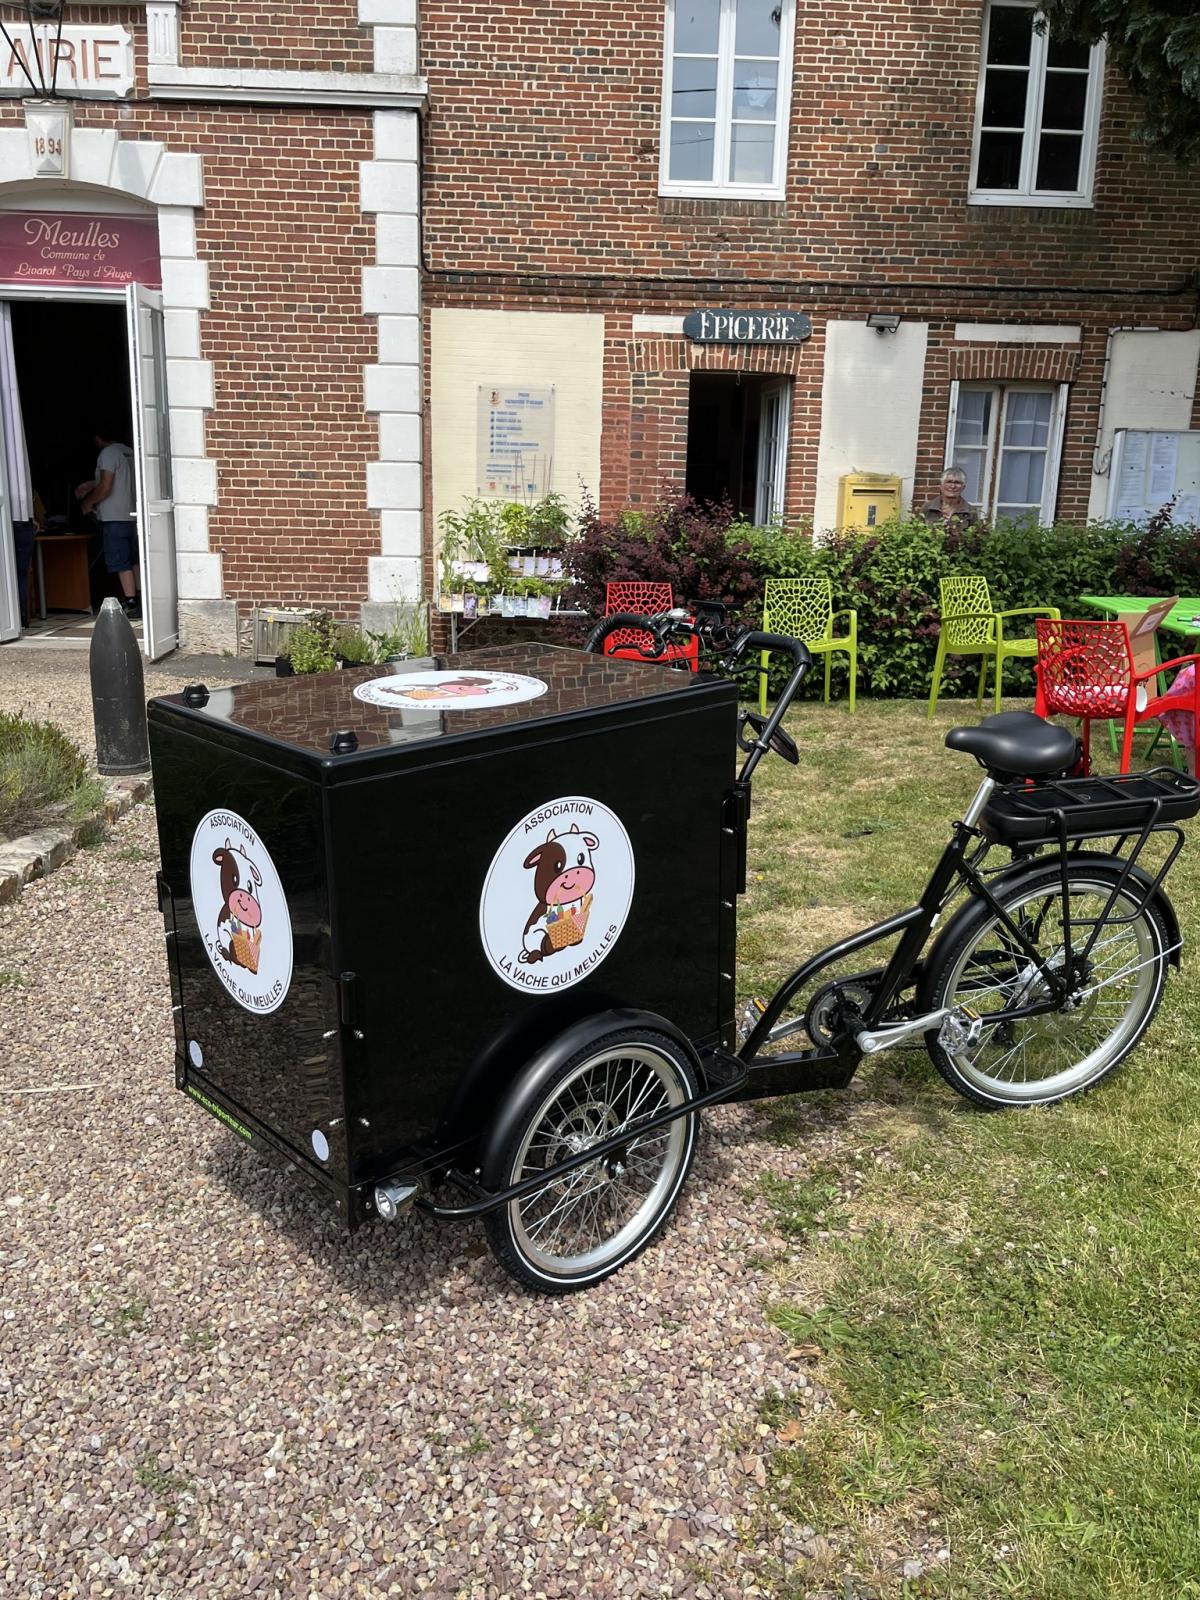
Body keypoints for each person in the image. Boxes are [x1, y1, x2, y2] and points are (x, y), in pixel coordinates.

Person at [76, 423, 139, 618]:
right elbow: (121, 480)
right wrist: (90, 484)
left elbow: (106, 485)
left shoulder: (108, 453)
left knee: (120, 561)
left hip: (114, 517)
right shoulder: (129, 452)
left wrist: (88, 501)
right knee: (134, 559)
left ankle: (130, 602)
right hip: (133, 515)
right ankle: (140, 598)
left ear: (98, 438)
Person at [921, 468, 980, 535]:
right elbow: (917, 533)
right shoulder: (928, 508)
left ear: (963, 487)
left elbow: (976, 537)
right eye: (949, 482)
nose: (952, 486)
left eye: (957, 483)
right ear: (941, 486)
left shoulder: (970, 511)